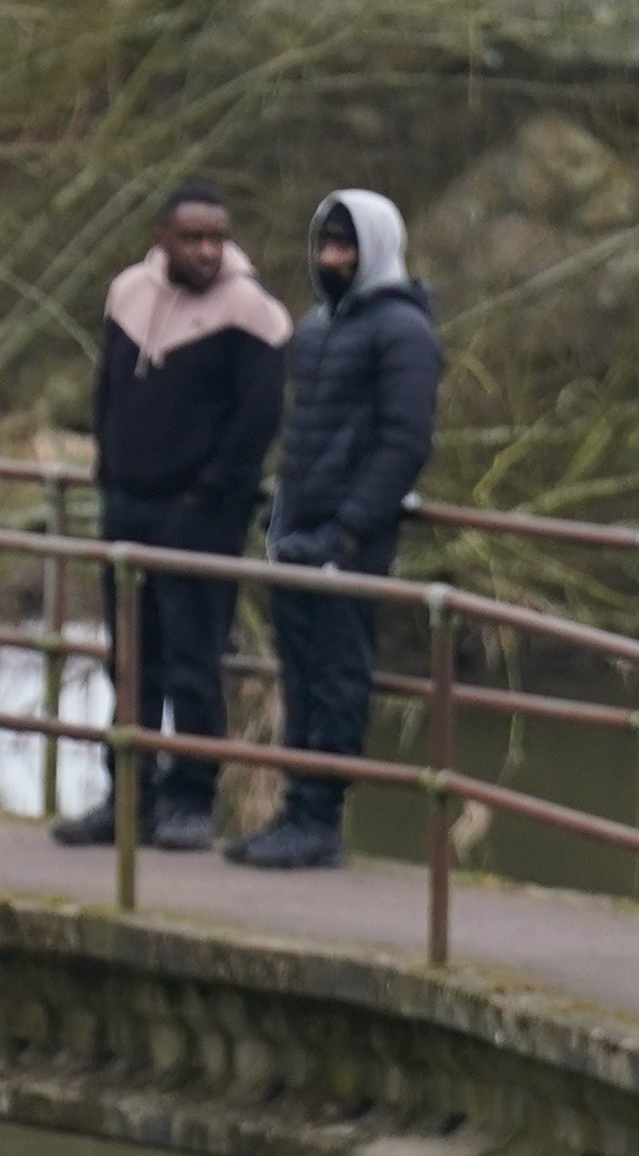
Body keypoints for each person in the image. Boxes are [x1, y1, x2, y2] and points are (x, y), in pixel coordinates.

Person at [55, 183, 295, 854]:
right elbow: (107, 384)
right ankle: (127, 793)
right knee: (130, 661)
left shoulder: (252, 313)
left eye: (216, 236)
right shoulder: (129, 292)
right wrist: (108, 463)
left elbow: (257, 419)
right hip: (128, 502)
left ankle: (190, 798)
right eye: (191, 237)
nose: (207, 250)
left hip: (200, 513)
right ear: (163, 237)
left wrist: (211, 495)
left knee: (193, 659)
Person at [234, 188, 444, 871]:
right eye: (325, 245)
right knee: (298, 673)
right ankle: (296, 809)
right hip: (297, 532)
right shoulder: (318, 327)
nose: (332, 258)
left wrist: (349, 532)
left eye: (346, 246)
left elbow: (403, 443)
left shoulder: (404, 332)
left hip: (349, 542)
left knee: (337, 674)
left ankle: (320, 817)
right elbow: (304, 430)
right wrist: (284, 508)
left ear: (374, 248)